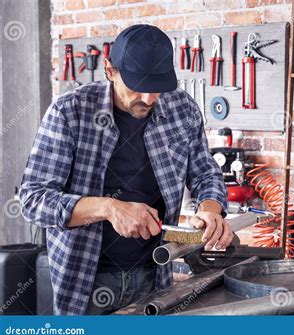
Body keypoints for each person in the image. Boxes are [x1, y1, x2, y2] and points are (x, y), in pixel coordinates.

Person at [19, 24, 231, 315]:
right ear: (109, 69)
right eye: (137, 87)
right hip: (85, 280)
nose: (148, 99)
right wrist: (109, 208)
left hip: (156, 274)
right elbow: (33, 200)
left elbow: (206, 173)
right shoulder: (70, 111)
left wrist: (210, 208)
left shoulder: (183, 109)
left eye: (156, 88)